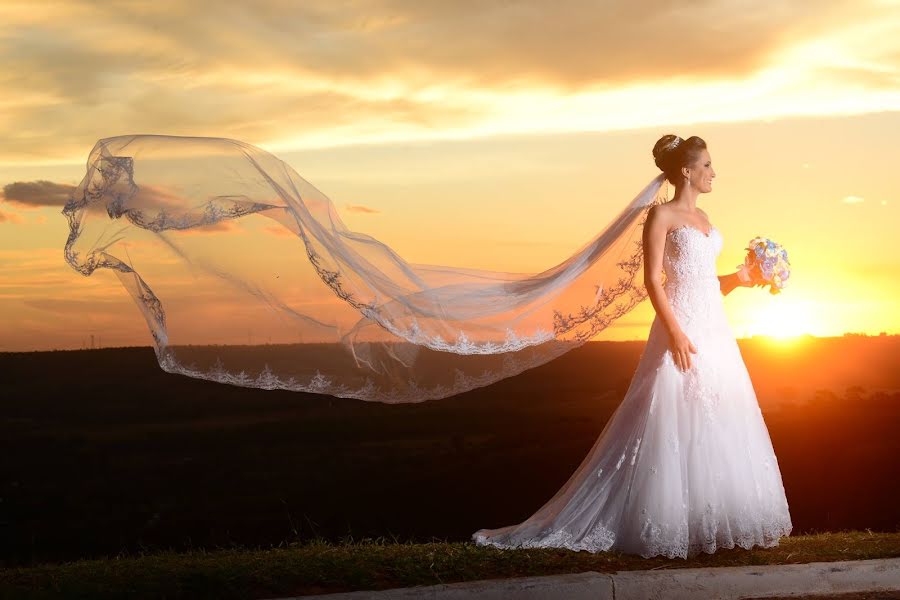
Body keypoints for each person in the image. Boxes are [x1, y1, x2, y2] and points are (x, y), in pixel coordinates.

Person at [471, 135, 793, 559]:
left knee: (713, 412)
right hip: (679, 324)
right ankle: (646, 518)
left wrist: (742, 280)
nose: (714, 173)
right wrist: (675, 332)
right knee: (666, 411)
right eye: (708, 165)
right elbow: (653, 281)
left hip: (713, 326)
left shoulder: (707, 218)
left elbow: (704, 284)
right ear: (686, 171)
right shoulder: (661, 215)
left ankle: (704, 520)